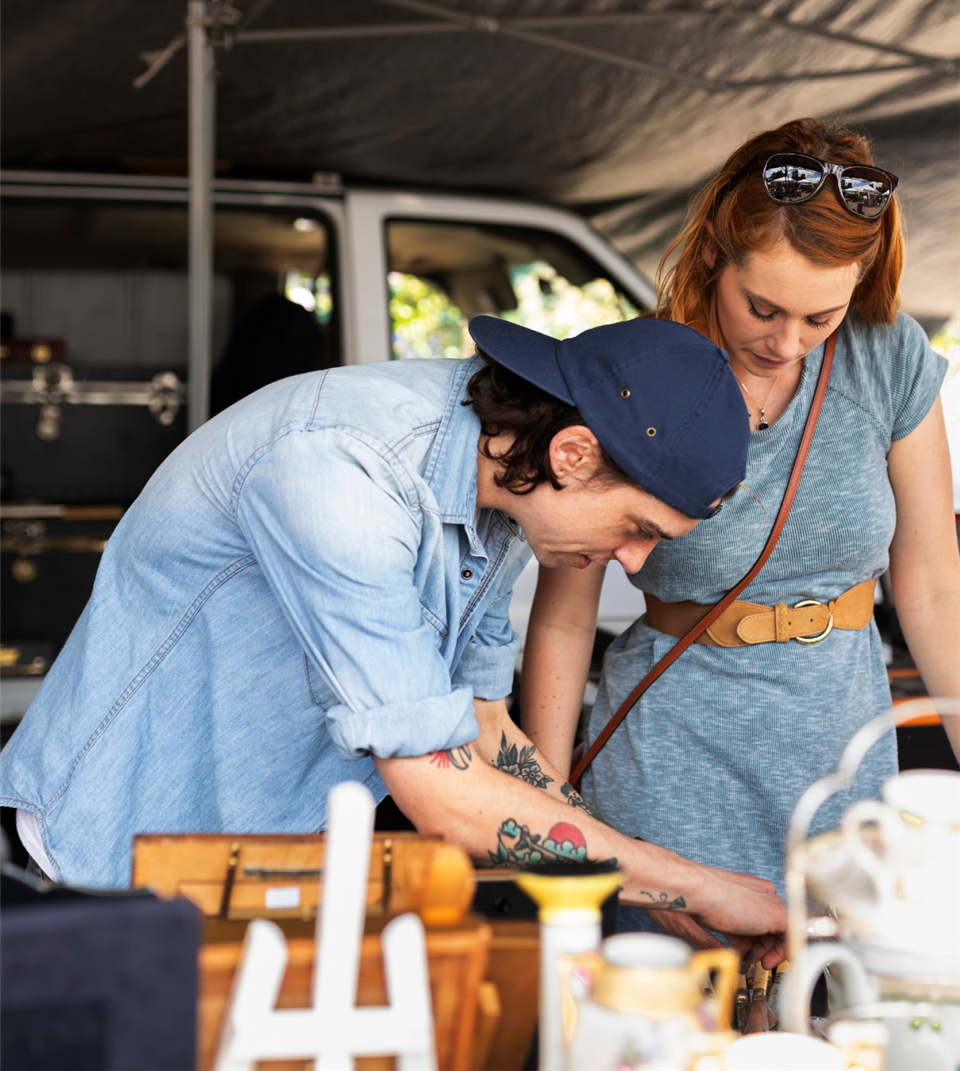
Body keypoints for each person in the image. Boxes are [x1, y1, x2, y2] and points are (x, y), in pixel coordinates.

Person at [0, 313, 787, 963]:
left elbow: (482, 728)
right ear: (573, 454)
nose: (636, 560)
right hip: (113, 857)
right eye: (638, 527)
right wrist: (692, 882)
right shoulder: (340, 471)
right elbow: (443, 793)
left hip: (260, 855)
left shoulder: (506, 484)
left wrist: (651, 884)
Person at [521, 118, 959, 948]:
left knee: (838, 1017)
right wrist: (547, 818)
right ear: (715, 252)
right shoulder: (639, 371)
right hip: (673, 762)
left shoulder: (891, 357)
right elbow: (565, 613)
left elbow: (936, 587)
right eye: (762, 307)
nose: (786, 342)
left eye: (821, 318)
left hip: (842, 761)